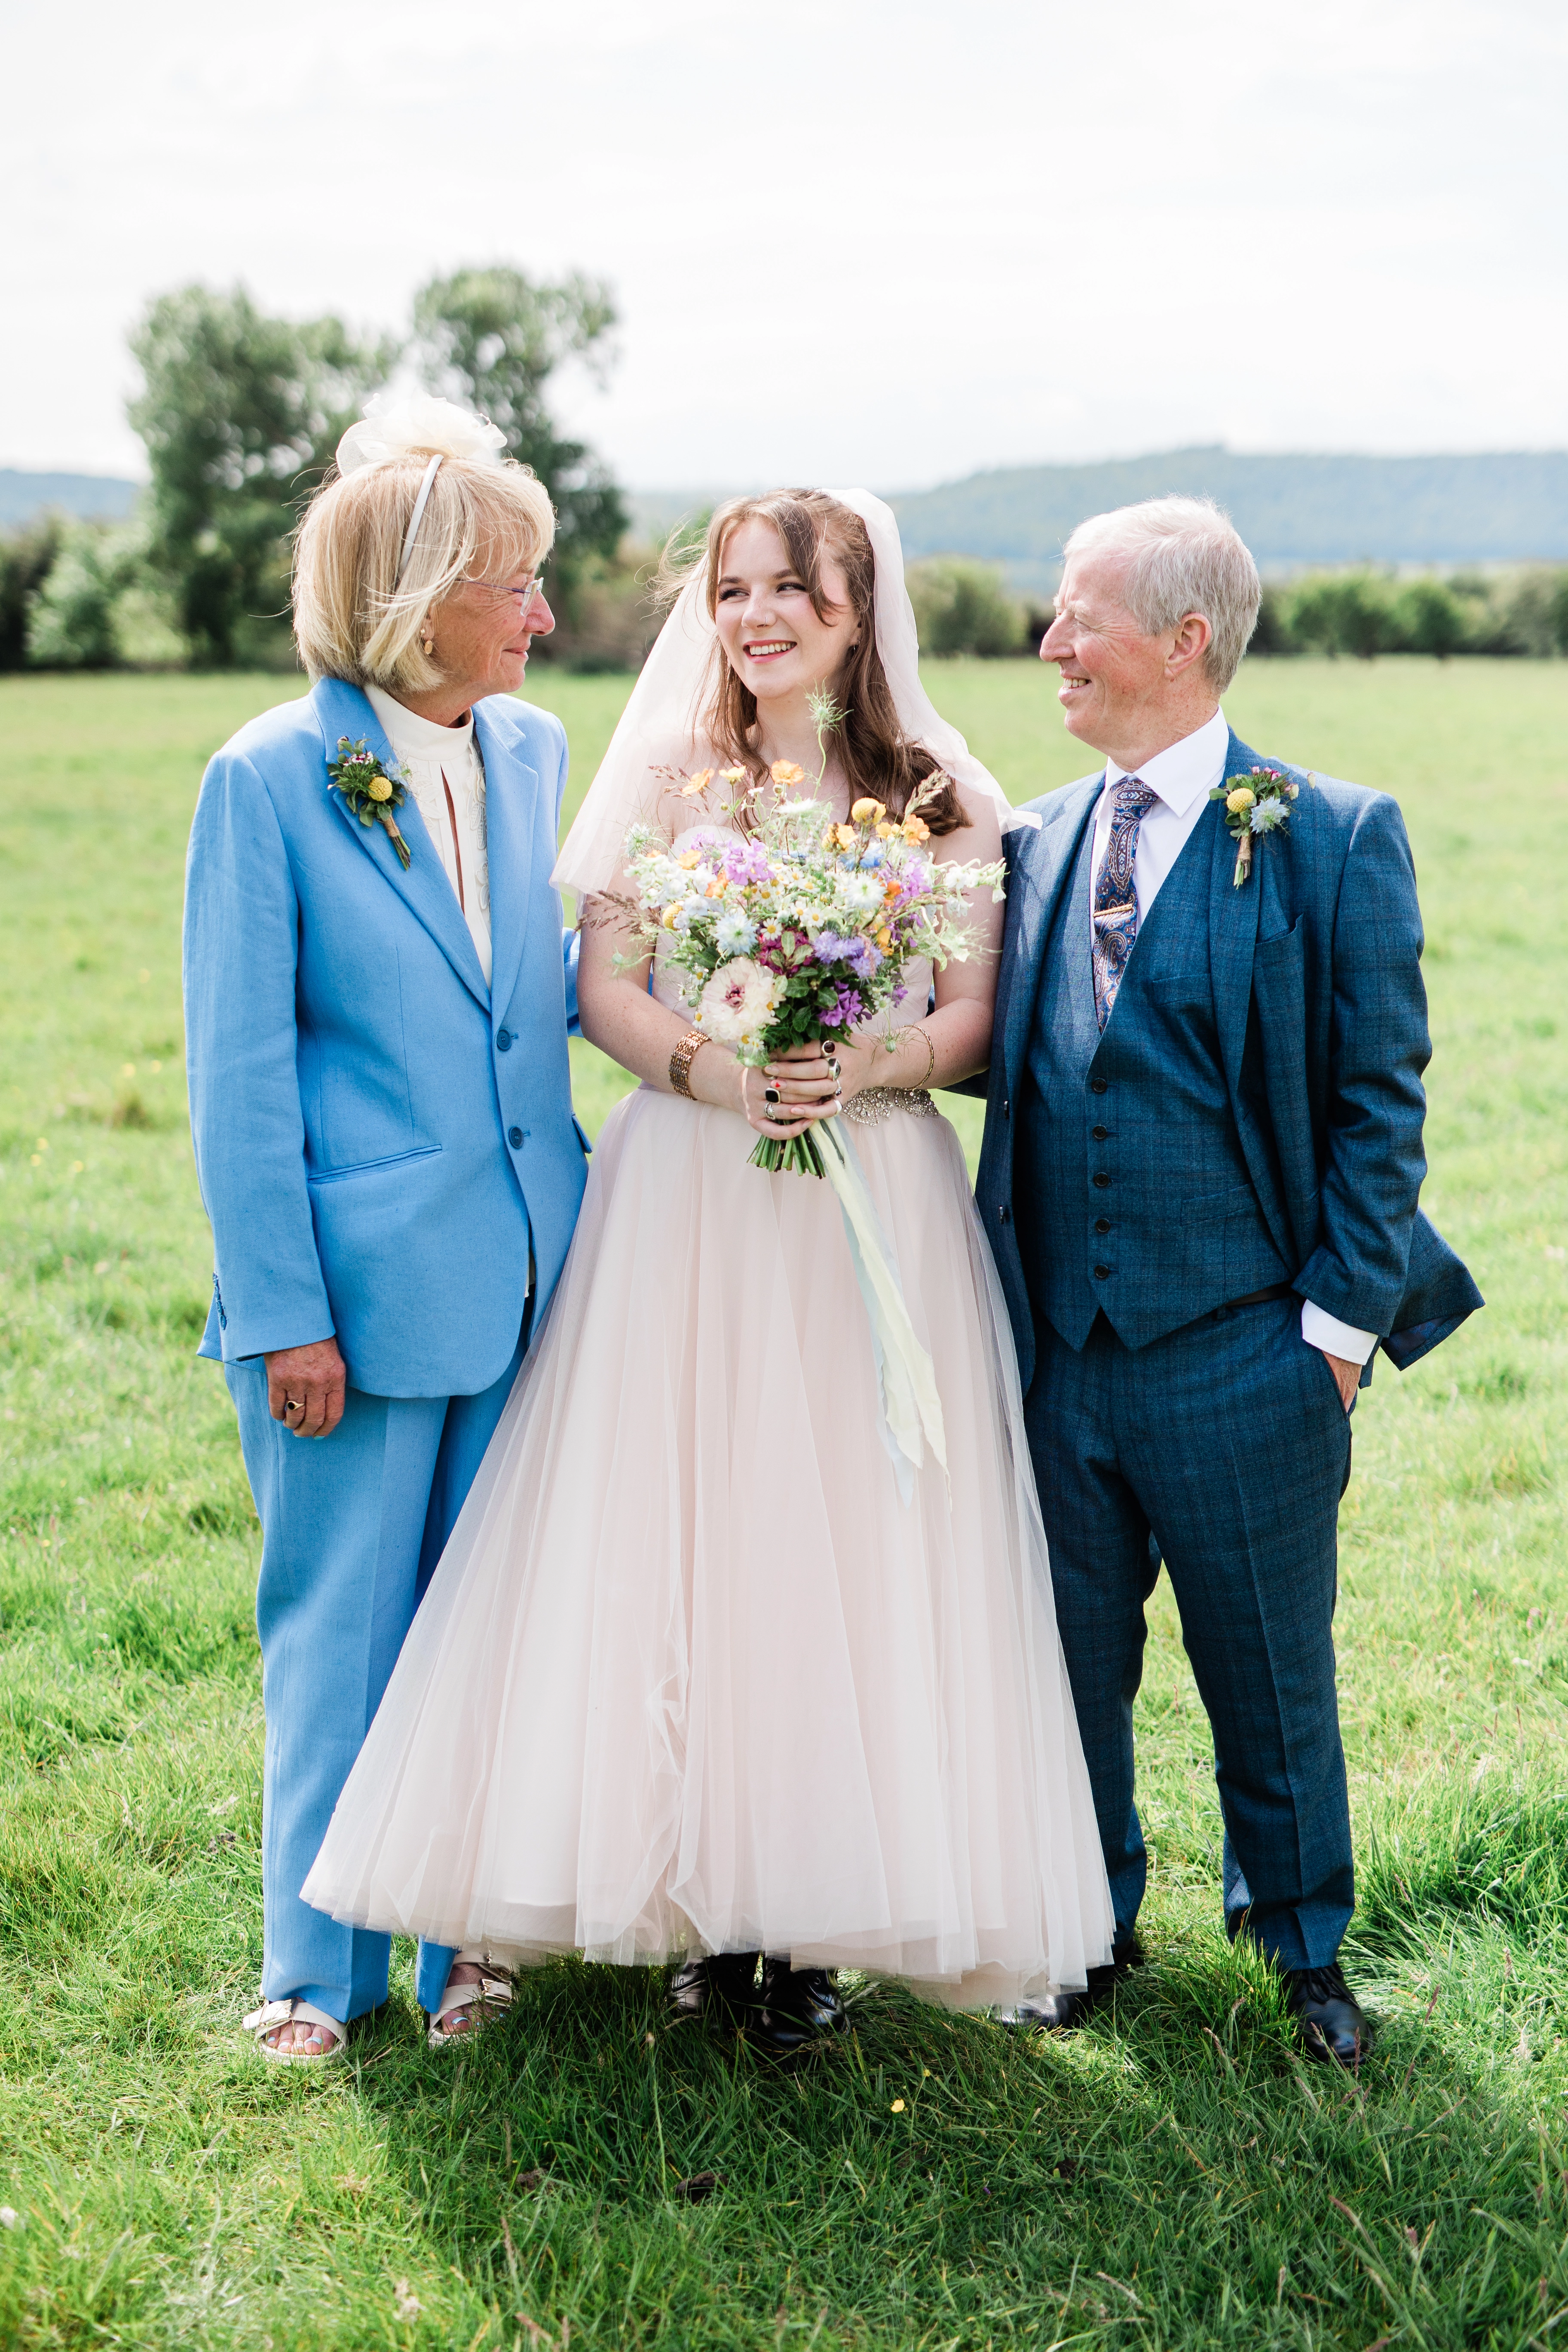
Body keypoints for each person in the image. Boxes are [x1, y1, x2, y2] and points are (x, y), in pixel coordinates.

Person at [303, 488, 1115, 2048]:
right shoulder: (670, 772)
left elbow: (973, 1015)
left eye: (791, 594)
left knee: (848, 1537)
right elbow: (598, 987)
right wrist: (711, 1069)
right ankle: (683, 1895)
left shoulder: (939, 789)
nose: (756, 619)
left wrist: (870, 1055)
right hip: (689, 1187)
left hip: (869, 1192)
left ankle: (813, 1919)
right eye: (734, 591)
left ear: (859, 610)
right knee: (690, 1525)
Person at [972, 495, 1481, 2067]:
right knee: (1071, 1668)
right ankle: (1089, 1923)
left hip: (1247, 1350)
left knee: (1268, 1665)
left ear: (1186, 642)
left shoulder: (1329, 835)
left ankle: (1305, 1950)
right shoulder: (1040, 839)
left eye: (1080, 616)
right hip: (1063, 1351)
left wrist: (1330, 1338)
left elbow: (1377, 1101)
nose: (1050, 642)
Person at [183, 397, 589, 2061]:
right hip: (343, 1307)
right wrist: (285, 1312)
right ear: (420, 600)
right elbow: (238, 1077)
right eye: (517, 583)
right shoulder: (269, 779)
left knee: (488, 1629)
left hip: (528, 1275)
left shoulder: (534, 753)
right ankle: (316, 1975)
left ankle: (466, 1955)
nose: (544, 616)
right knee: (341, 1635)